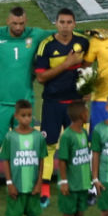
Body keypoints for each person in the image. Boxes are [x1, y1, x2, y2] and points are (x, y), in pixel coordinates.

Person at [0, 6, 53, 202]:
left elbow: (61, 32)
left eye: (22, 23)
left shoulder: (35, 35)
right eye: (14, 23)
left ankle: (26, 187)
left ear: (26, 21)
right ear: (7, 21)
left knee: (24, 149)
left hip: (23, 105)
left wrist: (90, 34)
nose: (18, 27)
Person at [35, 9, 92, 155]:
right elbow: (41, 78)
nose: (65, 26)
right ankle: (45, 178)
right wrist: (66, 64)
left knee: (78, 145)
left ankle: (77, 178)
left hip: (76, 103)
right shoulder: (46, 45)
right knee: (48, 146)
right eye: (62, 22)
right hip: (52, 104)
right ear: (56, 24)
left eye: (69, 22)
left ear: (74, 24)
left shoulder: (83, 42)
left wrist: (87, 89)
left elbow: (87, 65)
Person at [0, 100, 49, 216]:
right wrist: (9, 183)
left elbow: (41, 160)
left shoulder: (37, 137)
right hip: (16, 187)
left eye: (29, 115)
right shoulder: (10, 137)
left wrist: (39, 182)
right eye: (23, 116)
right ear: (16, 116)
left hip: (33, 186)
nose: (27, 119)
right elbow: (5, 160)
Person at [54, 101, 94, 216]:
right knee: (68, 215)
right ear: (81, 115)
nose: (88, 113)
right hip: (70, 184)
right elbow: (62, 160)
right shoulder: (67, 136)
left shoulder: (84, 133)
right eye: (86, 111)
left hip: (83, 183)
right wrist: (64, 181)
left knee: (80, 214)